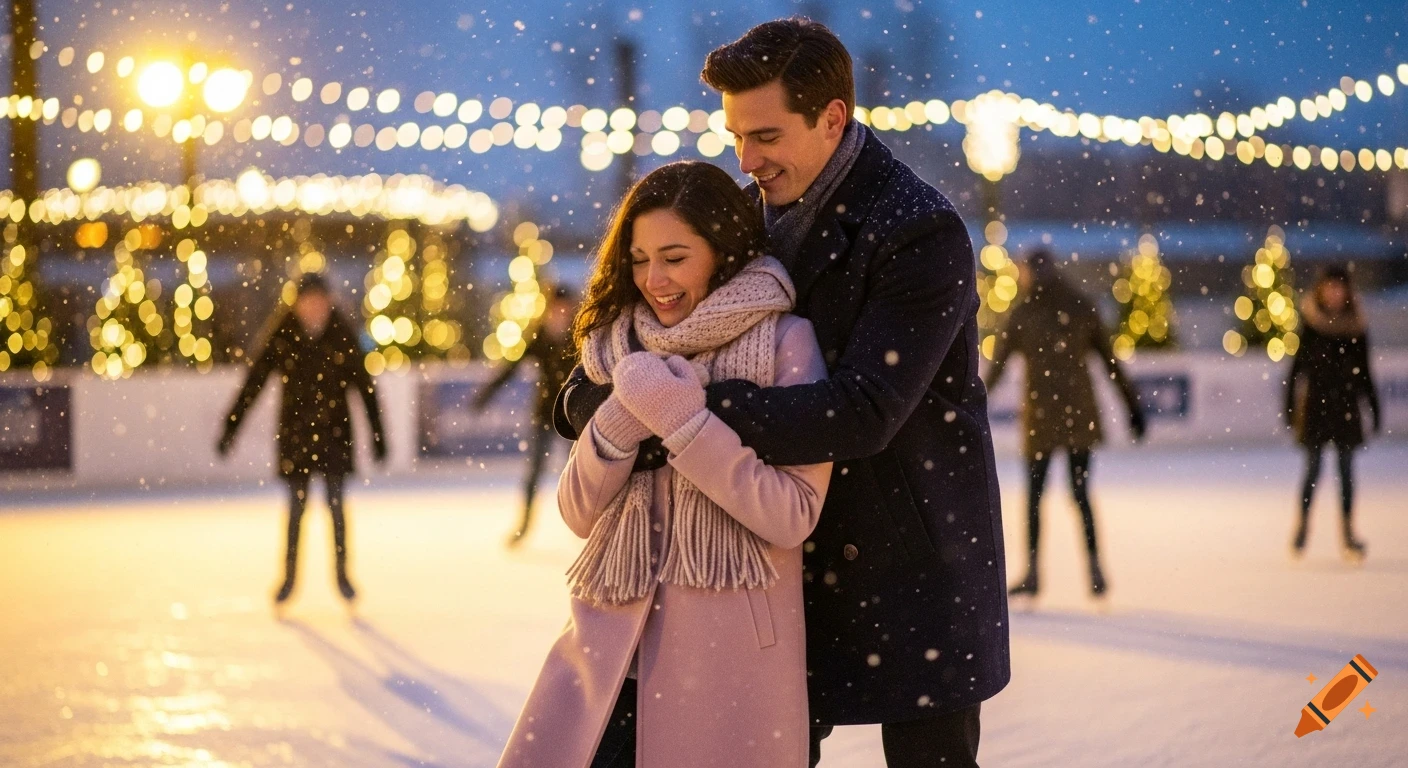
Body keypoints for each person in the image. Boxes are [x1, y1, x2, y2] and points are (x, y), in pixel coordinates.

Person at [554, 18, 1008, 768]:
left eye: (765, 135)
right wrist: (596, 407)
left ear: (831, 118)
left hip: (907, 561)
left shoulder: (919, 231)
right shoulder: (739, 216)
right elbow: (629, 342)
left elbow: (865, 410)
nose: (746, 157)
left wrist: (679, 410)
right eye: (736, 134)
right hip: (775, 567)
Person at [497, 161, 831, 767]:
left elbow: (791, 514)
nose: (655, 279)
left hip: (724, 665)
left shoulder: (787, 343)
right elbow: (576, 511)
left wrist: (686, 423)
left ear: (723, 251)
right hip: (610, 655)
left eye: (675, 257)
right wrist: (621, 419)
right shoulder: (617, 347)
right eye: (640, 259)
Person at [984, 250, 1147, 600]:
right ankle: (1094, 567)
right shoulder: (1080, 305)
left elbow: (995, 371)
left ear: (1030, 273)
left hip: (1041, 416)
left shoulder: (1023, 313)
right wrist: (1133, 406)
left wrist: (969, 407)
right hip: (1078, 414)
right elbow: (1111, 362)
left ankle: (1032, 572)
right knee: (1081, 494)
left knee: (1034, 496)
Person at [217, 273, 387, 605]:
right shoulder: (284, 334)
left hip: (335, 434)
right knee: (297, 507)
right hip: (296, 435)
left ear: (329, 301)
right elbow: (255, 382)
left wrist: (378, 435)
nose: (314, 308)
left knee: (336, 506)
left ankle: (342, 576)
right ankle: (289, 578)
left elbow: (365, 388)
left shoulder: (342, 334)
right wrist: (230, 427)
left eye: (320, 301)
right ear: (296, 303)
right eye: (308, 301)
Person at [1285, 265, 1380, 562]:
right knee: (1312, 469)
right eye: (1330, 287)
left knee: (1346, 471)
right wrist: (1289, 405)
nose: (1335, 293)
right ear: (1321, 290)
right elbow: (1296, 368)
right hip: (1316, 406)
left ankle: (1349, 534)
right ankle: (1302, 525)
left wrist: (1374, 407)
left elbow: (1365, 372)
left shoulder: (1356, 327)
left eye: (1340, 288)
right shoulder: (1311, 324)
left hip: (1346, 408)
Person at [473, 285, 578, 548]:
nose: (561, 312)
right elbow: (513, 366)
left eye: (565, 307)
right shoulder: (541, 336)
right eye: (557, 307)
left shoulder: (579, 337)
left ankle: (585, 525)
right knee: (533, 473)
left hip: (573, 417)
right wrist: (486, 393)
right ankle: (524, 526)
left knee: (579, 475)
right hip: (545, 415)